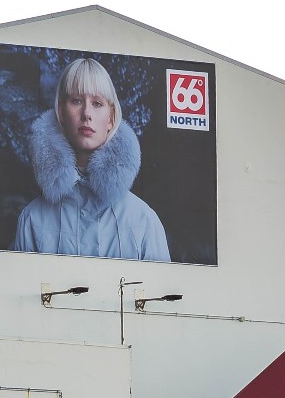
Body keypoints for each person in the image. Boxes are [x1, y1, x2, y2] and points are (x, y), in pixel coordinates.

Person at [11, 56, 171, 262]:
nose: (86, 113)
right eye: (76, 101)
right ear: (61, 112)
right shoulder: (32, 219)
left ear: (111, 118)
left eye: (97, 103)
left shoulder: (143, 220)